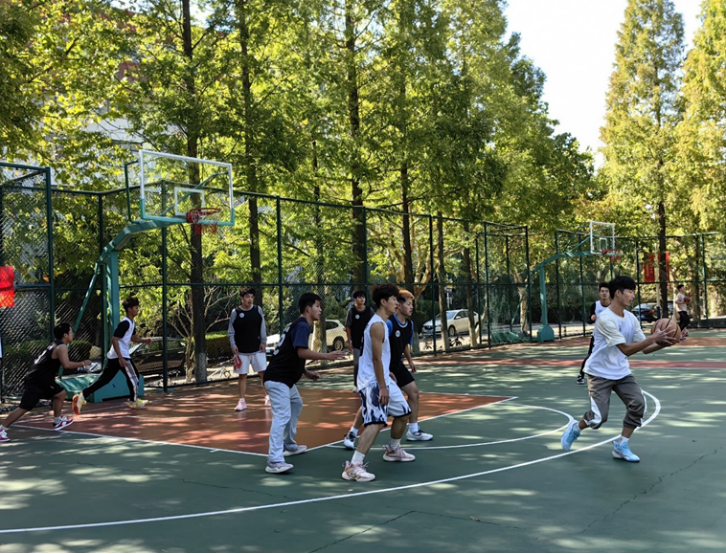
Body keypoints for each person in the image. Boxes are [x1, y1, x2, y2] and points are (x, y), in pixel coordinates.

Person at [561, 276, 685, 463]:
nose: (633, 296)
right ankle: (576, 428)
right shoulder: (605, 319)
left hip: (621, 372)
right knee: (598, 418)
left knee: (638, 404)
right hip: (599, 373)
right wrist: (653, 338)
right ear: (618, 293)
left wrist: (668, 342)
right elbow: (626, 349)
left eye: (634, 292)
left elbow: (644, 348)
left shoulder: (631, 318)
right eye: (630, 292)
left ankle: (621, 445)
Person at [263, 293, 347, 474]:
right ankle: (274, 460)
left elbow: (290, 354)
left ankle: (288, 444)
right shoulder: (302, 326)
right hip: (278, 379)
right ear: (308, 309)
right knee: (282, 416)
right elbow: (301, 352)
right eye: (317, 306)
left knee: (296, 404)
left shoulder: (298, 325)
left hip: (284, 379)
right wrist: (327, 356)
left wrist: (306, 372)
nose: (320, 310)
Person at [342, 283, 415, 483]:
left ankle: (393, 450)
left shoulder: (383, 323)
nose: (397, 304)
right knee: (375, 422)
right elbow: (374, 358)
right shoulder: (377, 325)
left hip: (380, 376)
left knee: (404, 413)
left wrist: (386, 372)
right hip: (371, 381)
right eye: (394, 300)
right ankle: (353, 467)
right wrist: (382, 385)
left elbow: (378, 357)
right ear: (384, 302)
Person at [0, 323, 92, 443]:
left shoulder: (56, 344)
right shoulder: (61, 347)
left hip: (45, 379)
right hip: (37, 380)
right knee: (25, 407)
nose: (72, 334)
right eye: (71, 332)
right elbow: (66, 365)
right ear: (65, 335)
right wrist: (83, 363)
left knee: (60, 394)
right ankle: (2, 429)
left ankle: (58, 421)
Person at [72, 297, 152, 414]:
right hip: (121, 356)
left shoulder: (131, 322)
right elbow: (114, 340)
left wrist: (143, 340)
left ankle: (81, 396)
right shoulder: (125, 323)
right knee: (134, 378)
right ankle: (133, 401)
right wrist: (121, 358)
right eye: (136, 308)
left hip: (114, 356)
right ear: (129, 309)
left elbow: (132, 337)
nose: (137, 310)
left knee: (104, 380)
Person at [387, 289, 432, 441]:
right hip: (384, 366)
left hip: (397, 365)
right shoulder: (389, 323)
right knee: (375, 404)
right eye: (408, 304)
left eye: (412, 304)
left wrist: (410, 360)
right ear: (399, 306)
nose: (411, 307)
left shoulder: (410, 324)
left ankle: (413, 430)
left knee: (414, 393)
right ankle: (353, 432)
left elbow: (404, 344)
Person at [342, 290, 375, 449]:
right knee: (357, 364)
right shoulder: (352, 312)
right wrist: (349, 340)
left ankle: (367, 381)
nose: (361, 299)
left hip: (368, 342)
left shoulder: (369, 311)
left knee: (369, 363)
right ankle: (357, 384)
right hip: (356, 342)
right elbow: (348, 327)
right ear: (355, 299)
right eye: (359, 297)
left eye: (363, 297)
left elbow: (374, 324)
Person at [228, 287, 268, 411]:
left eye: (251, 297)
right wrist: (233, 345)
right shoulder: (235, 312)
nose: (250, 299)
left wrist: (263, 341)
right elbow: (231, 331)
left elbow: (262, 327)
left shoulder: (257, 310)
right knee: (242, 376)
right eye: (247, 297)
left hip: (257, 349)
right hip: (241, 351)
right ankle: (242, 401)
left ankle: (268, 397)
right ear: (242, 298)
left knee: (263, 373)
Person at [577, 283, 611, 385]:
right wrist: (591, 319)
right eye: (602, 291)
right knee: (591, 355)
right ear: (599, 293)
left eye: (606, 291)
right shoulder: (595, 305)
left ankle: (609, 375)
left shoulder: (614, 306)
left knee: (611, 355)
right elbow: (589, 320)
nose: (604, 293)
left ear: (610, 293)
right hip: (597, 337)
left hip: (610, 336)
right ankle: (581, 375)